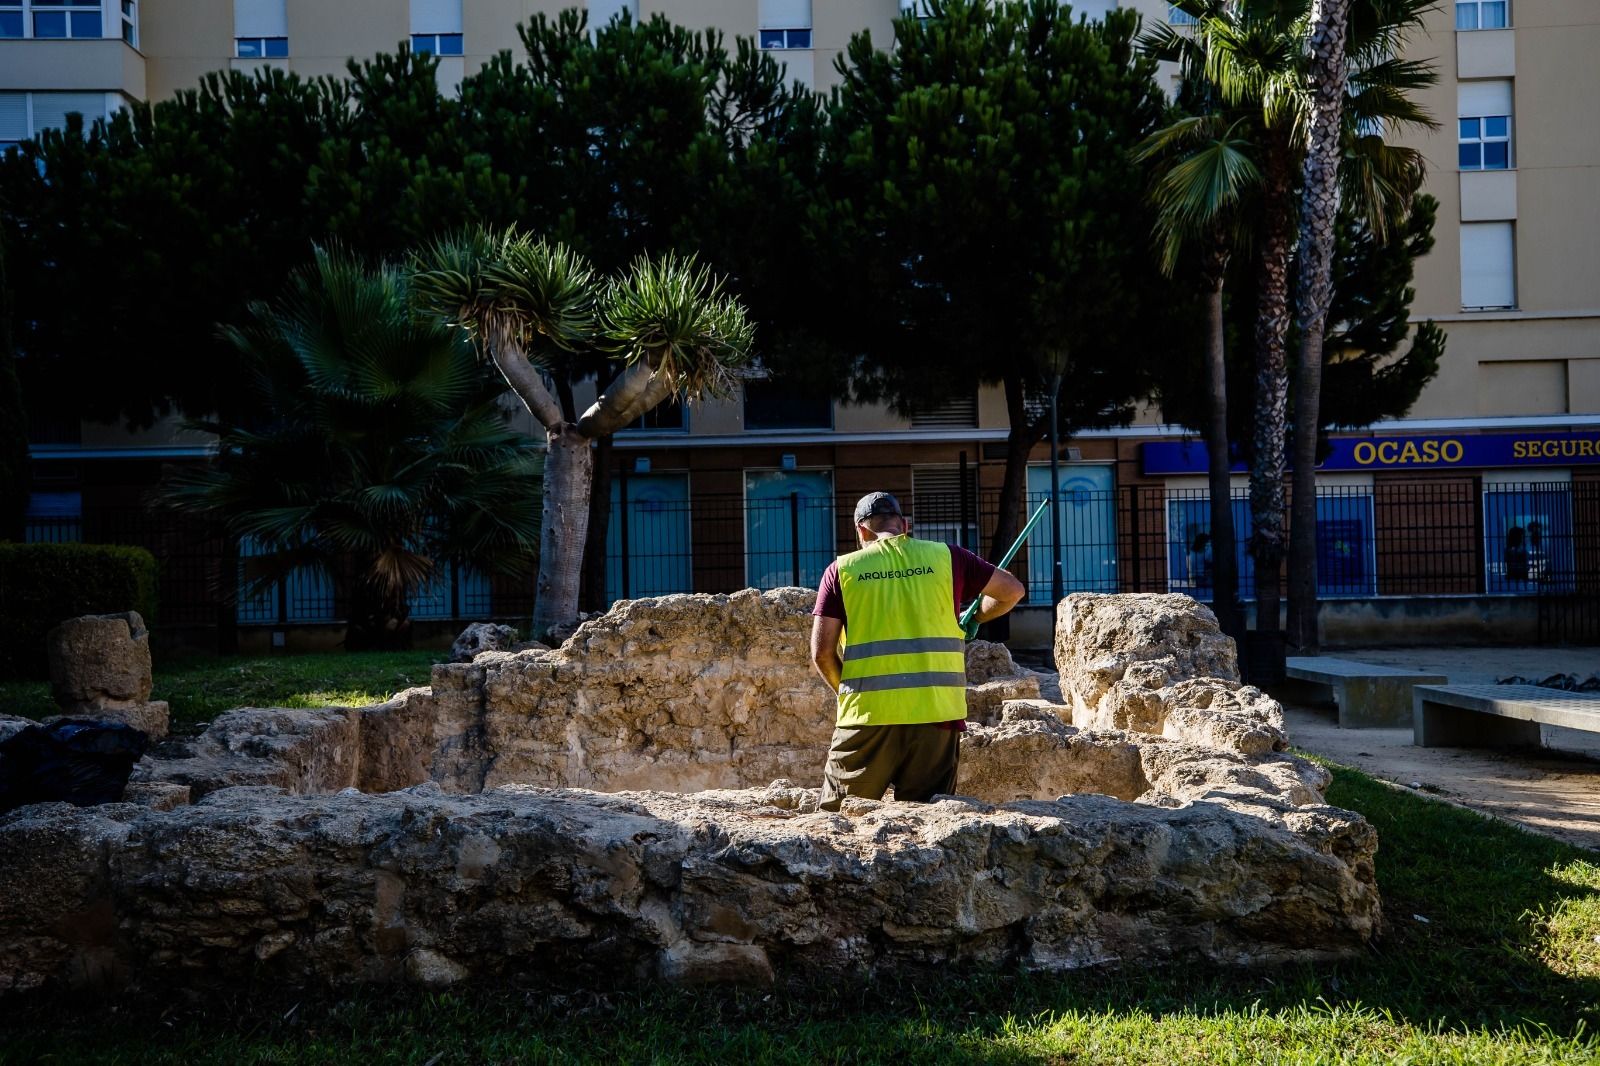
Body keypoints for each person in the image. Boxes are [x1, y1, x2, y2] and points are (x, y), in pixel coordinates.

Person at [809, 491, 1026, 812]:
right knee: (928, 822)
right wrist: (976, 618)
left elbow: (822, 653)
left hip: (868, 717)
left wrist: (846, 694)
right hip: (937, 716)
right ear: (905, 525)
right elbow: (1012, 591)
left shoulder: (842, 570)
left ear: (861, 531)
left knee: (838, 821)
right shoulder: (947, 557)